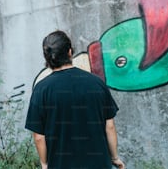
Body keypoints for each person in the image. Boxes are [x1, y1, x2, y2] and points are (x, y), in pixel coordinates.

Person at [25, 30, 125, 169]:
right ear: (70, 52)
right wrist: (115, 158)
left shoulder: (41, 90)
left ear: (47, 58)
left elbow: (39, 137)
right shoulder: (96, 83)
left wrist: (44, 163)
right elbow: (110, 126)